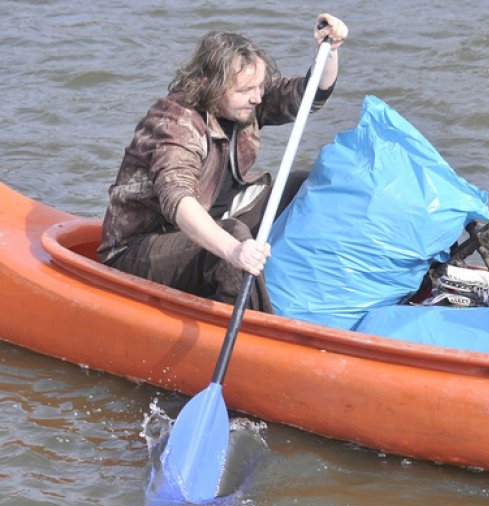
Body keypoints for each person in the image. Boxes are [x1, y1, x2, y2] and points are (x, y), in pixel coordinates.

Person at [97, 14, 348, 312]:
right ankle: (249, 326)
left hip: (217, 217)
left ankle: (312, 289)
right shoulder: (176, 123)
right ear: (209, 84)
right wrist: (233, 250)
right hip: (141, 249)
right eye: (245, 91)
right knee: (233, 234)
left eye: (260, 86)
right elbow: (179, 201)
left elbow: (309, 94)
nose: (257, 98)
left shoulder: (248, 101)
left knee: (302, 184)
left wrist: (330, 51)